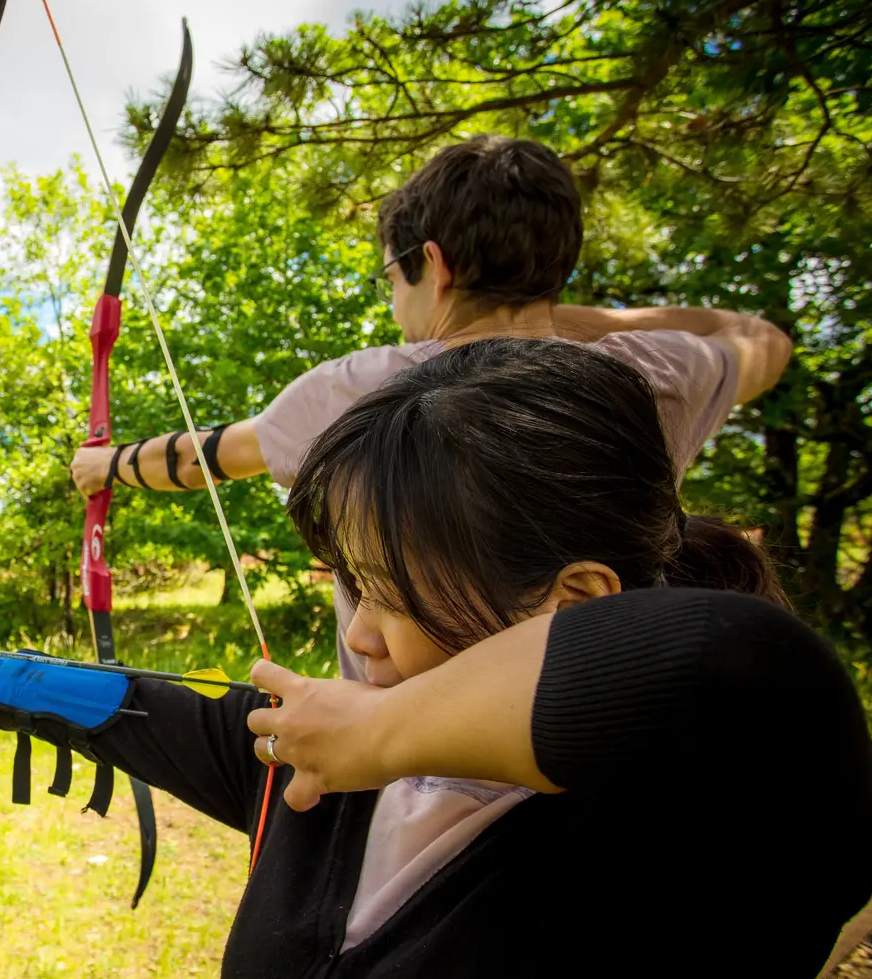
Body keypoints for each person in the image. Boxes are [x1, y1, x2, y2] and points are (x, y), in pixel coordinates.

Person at [0, 340, 872, 979]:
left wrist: (382, 732)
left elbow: (735, 661)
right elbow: (135, 709)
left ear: (573, 600)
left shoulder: (705, 828)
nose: (357, 636)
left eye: (395, 594)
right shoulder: (329, 775)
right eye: (355, 586)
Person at [70, 134, 792, 683]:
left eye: (393, 274)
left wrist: (107, 466)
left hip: (399, 757)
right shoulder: (651, 373)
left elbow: (205, 458)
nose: (394, 297)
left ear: (435, 266)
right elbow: (762, 340)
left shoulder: (364, 388)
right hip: (587, 726)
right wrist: (566, 314)